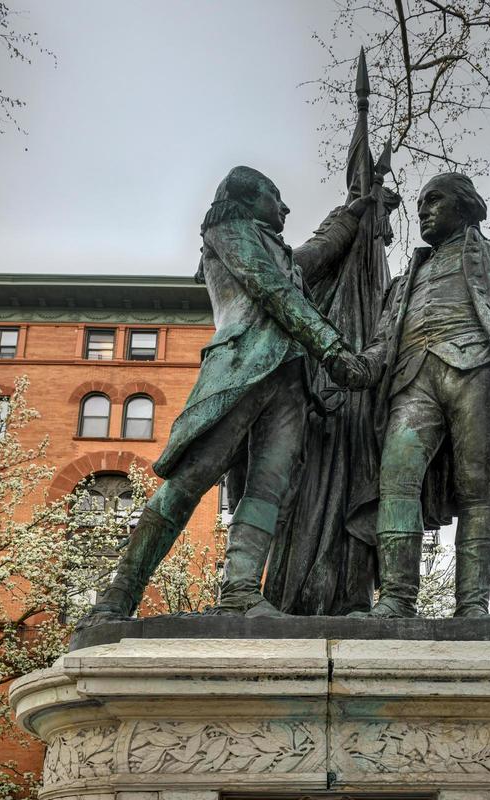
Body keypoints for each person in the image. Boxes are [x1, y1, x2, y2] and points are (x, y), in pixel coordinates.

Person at [77, 166, 375, 626]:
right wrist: (332, 349)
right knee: (191, 479)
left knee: (267, 490)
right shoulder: (226, 229)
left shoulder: (281, 253)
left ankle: (239, 592)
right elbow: (270, 291)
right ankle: (117, 598)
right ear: (245, 197)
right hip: (240, 366)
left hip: (289, 380)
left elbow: (318, 252)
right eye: (275, 196)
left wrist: (352, 212)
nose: (285, 206)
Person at [355, 172, 490, 618]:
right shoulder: (408, 276)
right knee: (396, 481)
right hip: (411, 379)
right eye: (421, 202)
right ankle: (395, 600)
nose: (423, 210)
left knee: (477, 488)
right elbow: (383, 336)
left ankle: (472, 607)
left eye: (434, 200)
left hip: (478, 370)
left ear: (464, 206)